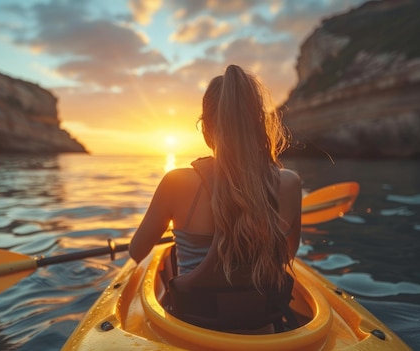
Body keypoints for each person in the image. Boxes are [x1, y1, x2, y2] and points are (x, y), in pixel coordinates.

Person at [129, 64, 302, 333]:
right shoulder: (290, 183)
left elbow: (136, 251)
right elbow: (288, 254)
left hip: (193, 330)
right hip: (263, 329)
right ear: (259, 121)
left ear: (205, 126)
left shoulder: (176, 182)